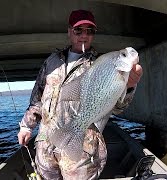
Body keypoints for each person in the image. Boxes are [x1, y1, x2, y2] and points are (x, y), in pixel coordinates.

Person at [18, 9, 143, 179]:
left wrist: (129, 86)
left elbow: (118, 108)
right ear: (69, 31)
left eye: (89, 31)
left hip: (83, 147)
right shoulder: (52, 62)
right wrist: (26, 126)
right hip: (45, 144)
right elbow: (37, 99)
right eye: (78, 30)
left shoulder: (101, 64)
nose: (84, 35)